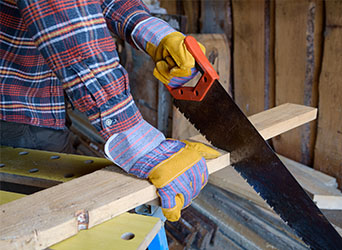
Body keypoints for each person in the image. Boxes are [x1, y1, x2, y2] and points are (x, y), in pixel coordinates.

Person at [0, 0, 220, 221]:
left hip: (41, 99)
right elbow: (64, 18)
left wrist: (154, 33)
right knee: (38, 221)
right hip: (15, 108)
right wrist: (137, 141)